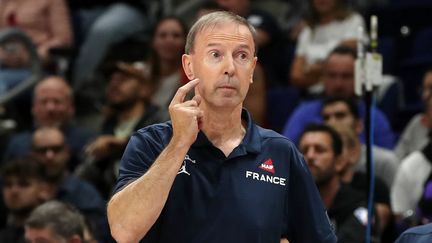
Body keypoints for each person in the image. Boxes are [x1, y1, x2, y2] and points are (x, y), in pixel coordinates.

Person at [107, 11, 336, 243]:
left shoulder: (281, 153)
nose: (230, 68)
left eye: (242, 56)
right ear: (189, 66)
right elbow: (124, 231)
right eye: (215, 54)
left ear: (252, 70)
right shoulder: (151, 142)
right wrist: (179, 143)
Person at [77, 61, 164, 199]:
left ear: (144, 89)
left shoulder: (160, 119)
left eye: (123, 80)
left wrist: (120, 144)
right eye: (112, 80)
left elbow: (161, 151)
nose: (114, 84)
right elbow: (85, 171)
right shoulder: (105, 124)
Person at [282, 45, 395, 149]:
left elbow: (386, 161)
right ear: (323, 78)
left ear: (360, 78)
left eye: (346, 76)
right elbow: (284, 155)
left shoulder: (374, 118)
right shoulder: (303, 115)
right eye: (332, 75)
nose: (338, 84)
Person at [299, 123, 380, 242]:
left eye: (319, 150)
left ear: (339, 162)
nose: (310, 156)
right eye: (304, 151)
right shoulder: (289, 203)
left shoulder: (361, 205)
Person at [30, 126, 109, 242]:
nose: (49, 156)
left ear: (67, 151)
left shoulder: (85, 195)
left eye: (56, 149)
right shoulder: (24, 190)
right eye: (42, 151)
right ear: (32, 155)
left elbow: (97, 239)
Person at [3, 76, 95, 169]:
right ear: (33, 108)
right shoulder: (18, 145)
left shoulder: (88, 142)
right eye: (44, 102)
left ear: (71, 108)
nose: (50, 108)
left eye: (57, 101)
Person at [321, 96, 399, 187]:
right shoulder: (321, 161)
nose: (331, 123)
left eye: (340, 116)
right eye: (326, 118)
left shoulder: (385, 161)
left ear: (359, 125)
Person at [290, 0, 365, 93]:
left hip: (347, 95)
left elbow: (346, 61)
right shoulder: (307, 31)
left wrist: (311, 69)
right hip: (313, 96)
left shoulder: (354, 21)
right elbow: (296, 76)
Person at [0, 157, 50, 243]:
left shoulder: (56, 233)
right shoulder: (3, 234)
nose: (14, 191)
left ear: (43, 190)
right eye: (8, 185)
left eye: (23, 184)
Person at [395, 67, 432, 159]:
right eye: (424, 89)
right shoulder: (417, 121)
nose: (425, 96)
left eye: (431, 89)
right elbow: (396, 158)